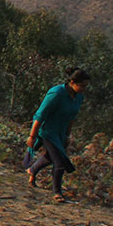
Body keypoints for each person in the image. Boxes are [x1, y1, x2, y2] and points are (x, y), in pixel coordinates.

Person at [26, 67, 91, 203]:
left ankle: (32, 170)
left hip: (60, 132)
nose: (84, 89)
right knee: (60, 162)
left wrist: (67, 136)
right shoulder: (56, 93)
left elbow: (71, 117)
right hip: (48, 132)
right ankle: (57, 192)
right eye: (82, 85)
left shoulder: (78, 97)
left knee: (50, 157)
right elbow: (40, 115)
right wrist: (32, 136)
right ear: (72, 82)